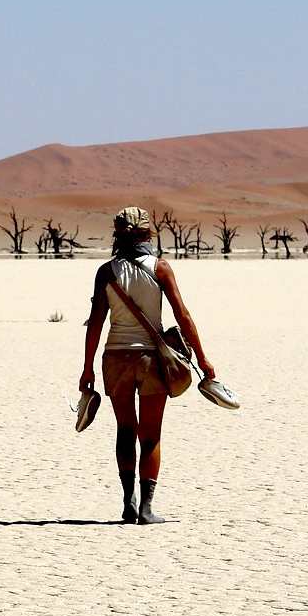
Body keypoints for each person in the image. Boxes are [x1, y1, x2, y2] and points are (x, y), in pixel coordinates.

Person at [79, 207, 216, 524]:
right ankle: (147, 509)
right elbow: (182, 316)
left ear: (117, 234)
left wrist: (87, 368)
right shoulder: (160, 268)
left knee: (125, 431)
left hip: (115, 358)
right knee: (150, 434)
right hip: (152, 359)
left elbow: (96, 324)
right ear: (147, 233)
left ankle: (128, 504)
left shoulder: (106, 272)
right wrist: (203, 358)